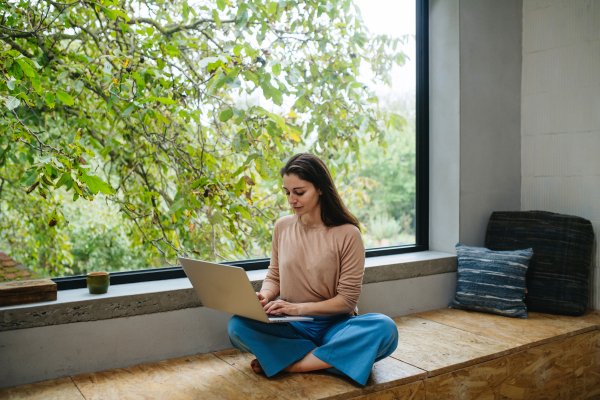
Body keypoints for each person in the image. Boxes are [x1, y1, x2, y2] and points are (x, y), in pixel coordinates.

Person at [227, 153, 398, 386]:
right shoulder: (282, 227)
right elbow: (274, 276)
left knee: (384, 328)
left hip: (336, 325)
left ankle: (290, 363)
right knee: (237, 326)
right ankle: (331, 359)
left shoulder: (348, 234)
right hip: (291, 326)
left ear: (320, 188)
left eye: (299, 192)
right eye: (287, 192)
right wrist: (264, 296)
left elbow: (347, 301)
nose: (291, 200)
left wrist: (297, 309)